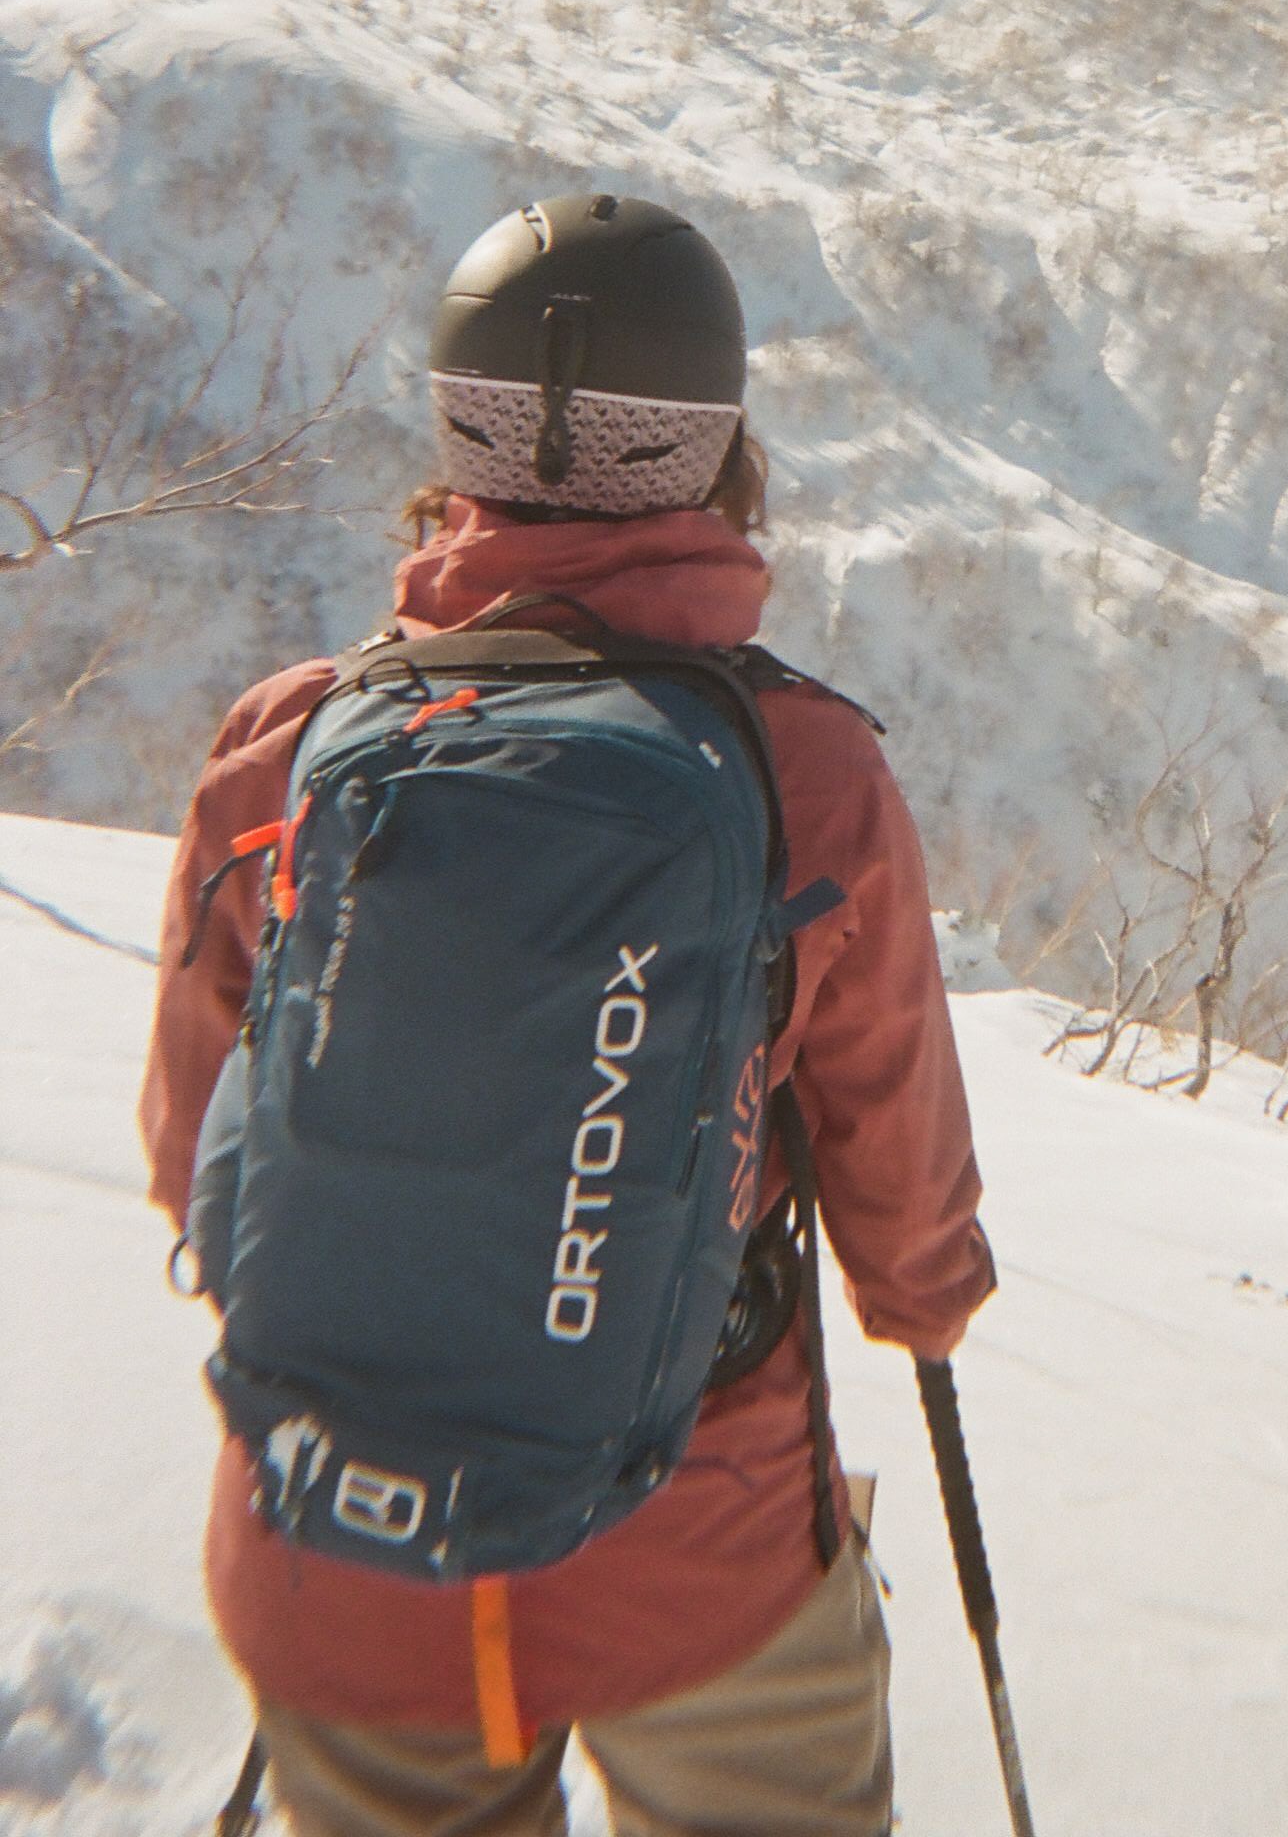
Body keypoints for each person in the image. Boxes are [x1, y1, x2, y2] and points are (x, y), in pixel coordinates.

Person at [141, 193, 995, 1837]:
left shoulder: (288, 744)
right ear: (710, 453)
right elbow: (890, 1139)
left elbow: (200, 1159)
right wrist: (926, 1303)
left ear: (460, 433)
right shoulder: (802, 771)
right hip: (699, 1542)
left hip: (333, 1535)